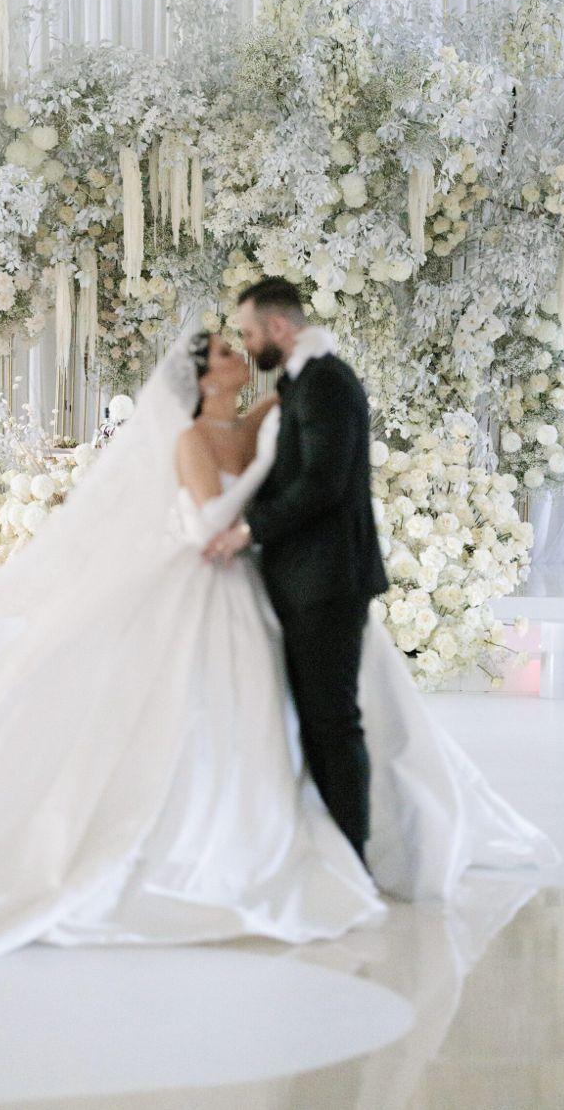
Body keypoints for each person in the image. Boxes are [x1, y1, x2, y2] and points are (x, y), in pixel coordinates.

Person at [0, 319, 557, 964]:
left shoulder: (253, 418)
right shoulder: (191, 438)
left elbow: (297, 425)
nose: (237, 355)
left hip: (253, 577)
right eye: (223, 352)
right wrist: (259, 481)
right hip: (206, 574)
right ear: (203, 377)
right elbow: (206, 521)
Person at [204, 278, 386, 864]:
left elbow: (322, 484)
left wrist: (248, 531)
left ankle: (351, 857)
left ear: (279, 327)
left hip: (327, 582)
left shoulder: (325, 382)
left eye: (249, 333)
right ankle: (334, 855)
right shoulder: (305, 381)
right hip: (308, 580)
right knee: (317, 720)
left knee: (333, 722)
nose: (247, 344)